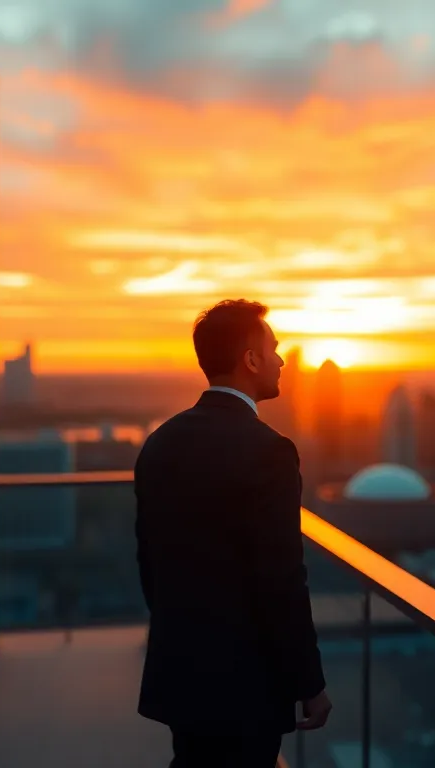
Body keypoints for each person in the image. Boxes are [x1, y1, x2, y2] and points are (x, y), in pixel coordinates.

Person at [135, 299, 331, 767]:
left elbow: (149, 562)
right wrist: (310, 684)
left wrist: (181, 635)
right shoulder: (270, 451)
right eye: (274, 349)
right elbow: (282, 580)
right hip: (246, 686)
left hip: (181, 672)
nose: (281, 361)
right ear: (251, 360)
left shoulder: (161, 442)